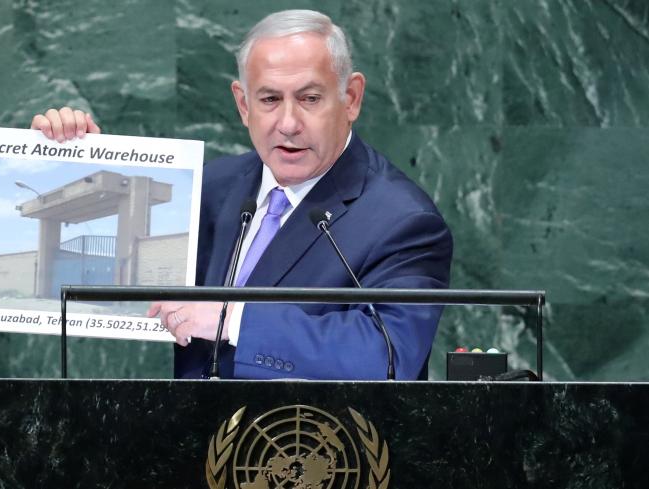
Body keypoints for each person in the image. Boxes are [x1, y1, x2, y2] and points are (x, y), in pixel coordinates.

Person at [30, 10, 452, 380]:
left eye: (309, 98)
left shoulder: (404, 221)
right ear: (243, 104)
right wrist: (77, 159)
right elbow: (124, 275)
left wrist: (234, 320)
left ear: (351, 97)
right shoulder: (211, 187)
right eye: (269, 99)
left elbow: (387, 357)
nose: (288, 122)